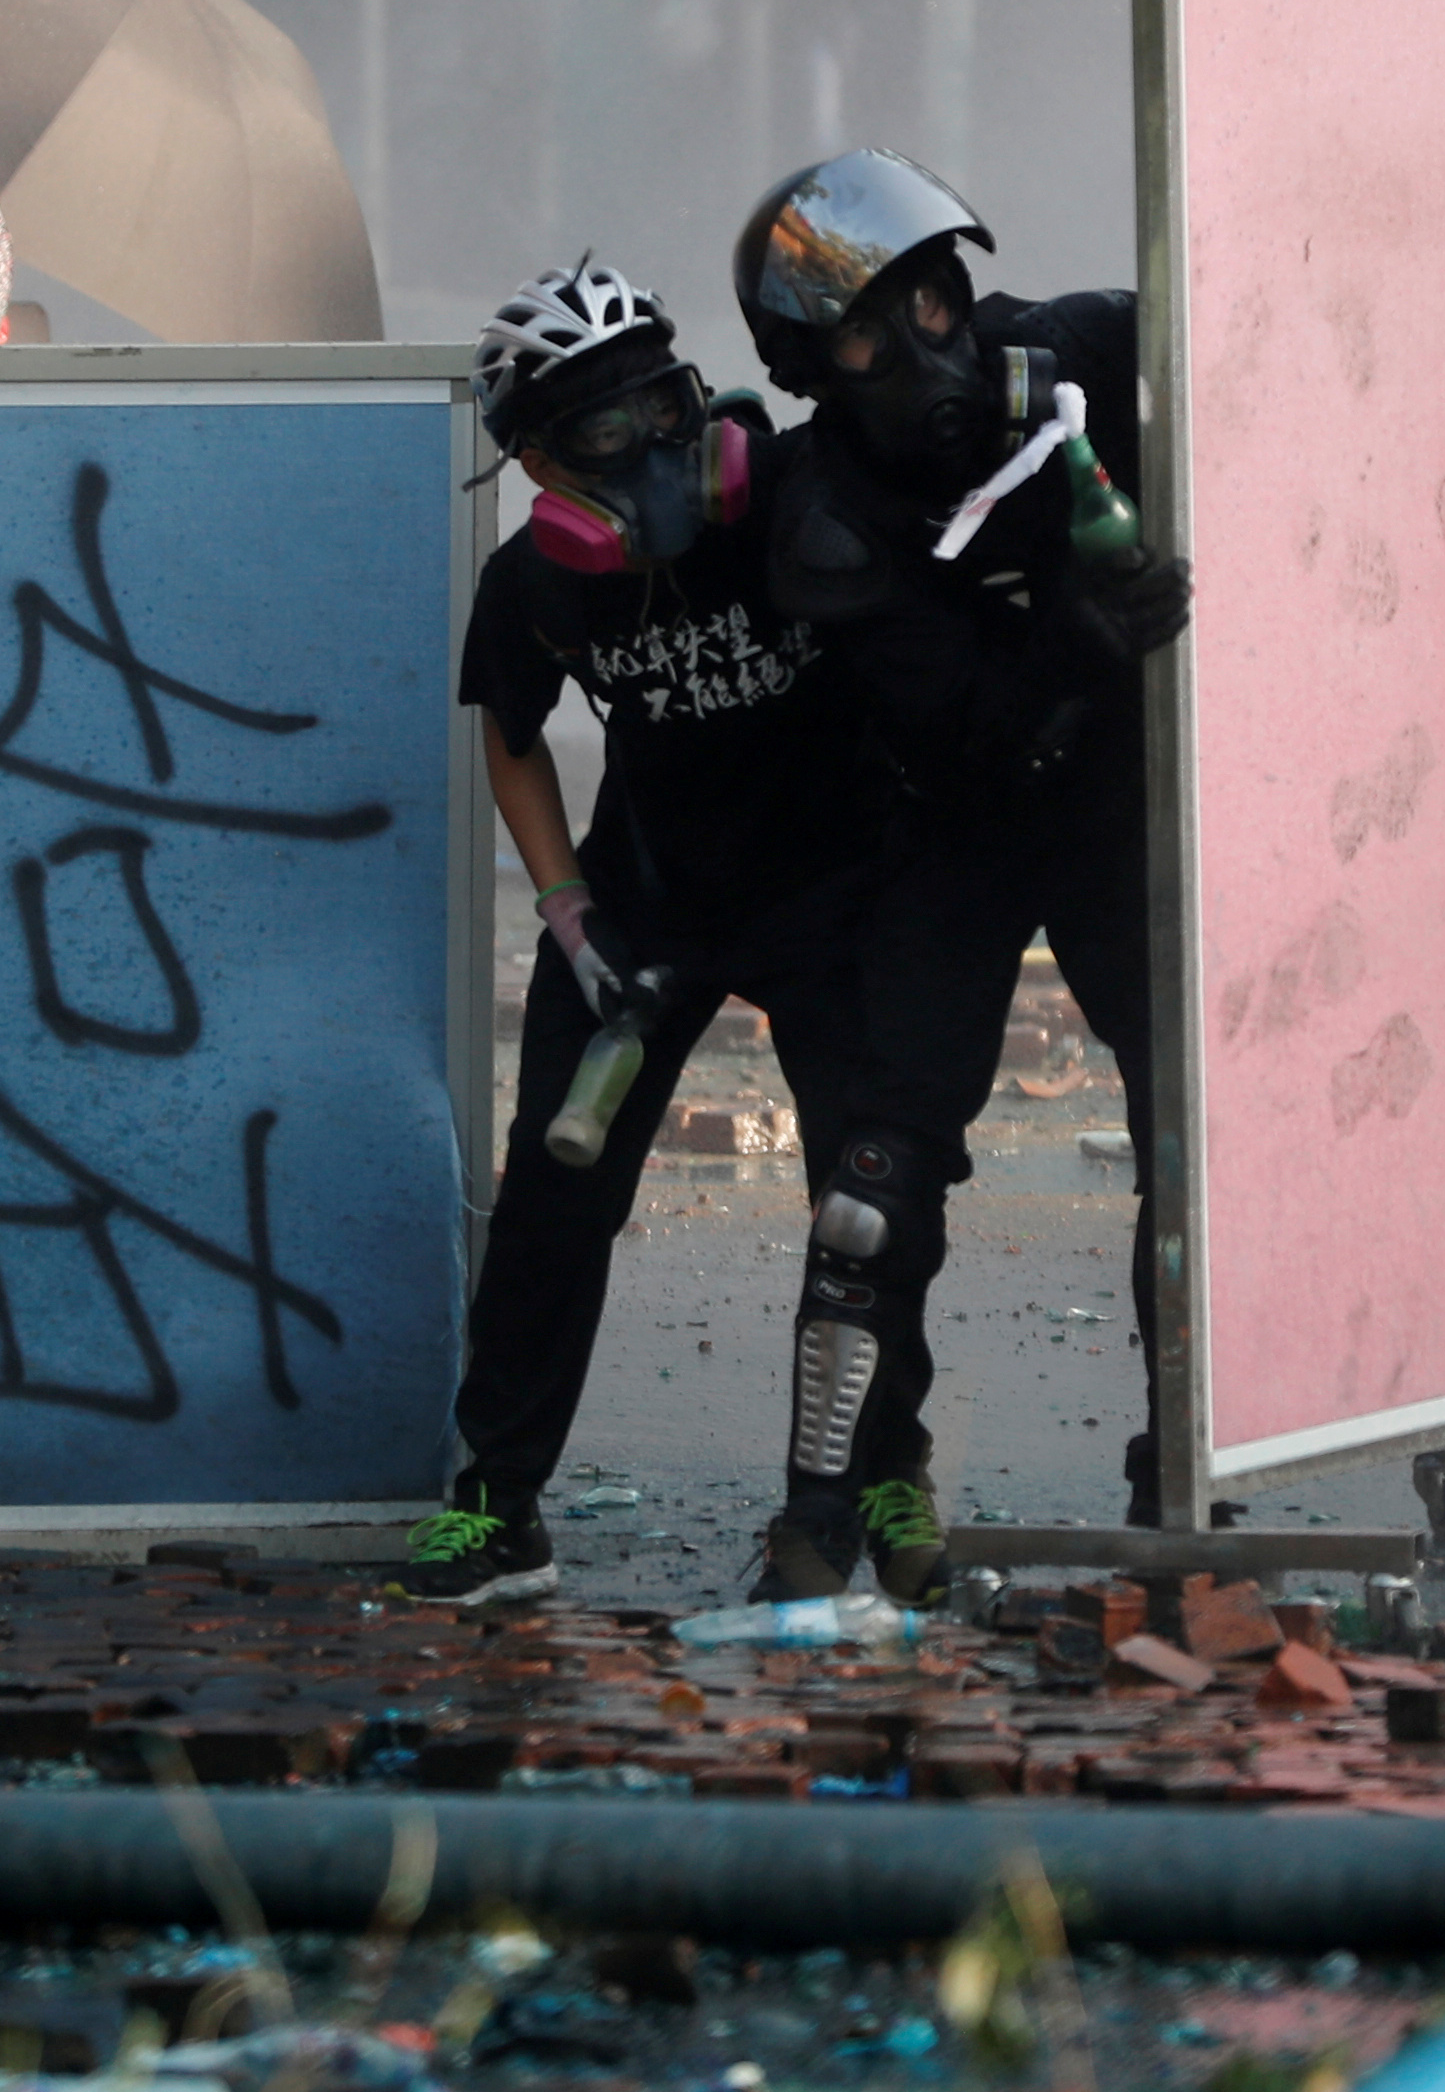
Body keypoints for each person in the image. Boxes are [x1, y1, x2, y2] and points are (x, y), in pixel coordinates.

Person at [399, 257, 924, 1608]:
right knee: (551, 1212)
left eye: (663, 405)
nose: (650, 448)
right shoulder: (533, 587)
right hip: (646, 904)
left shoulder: (788, 506)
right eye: (600, 429)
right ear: (533, 464)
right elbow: (509, 741)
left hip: (836, 895)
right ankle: (498, 1504)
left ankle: (881, 1480)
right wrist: (568, 915)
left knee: (868, 1209)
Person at [728, 149, 1196, 1533]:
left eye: (931, 306)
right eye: (870, 336)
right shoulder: (823, 524)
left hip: (1116, 802)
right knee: (875, 1183)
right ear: (815, 369)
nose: (923, 352)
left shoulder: (1080, 355)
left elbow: (1262, 346)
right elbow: (960, 731)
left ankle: (1186, 1459)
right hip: (948, 824)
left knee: (1190, 1134)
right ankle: (835, 1502)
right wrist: (1077, 631)